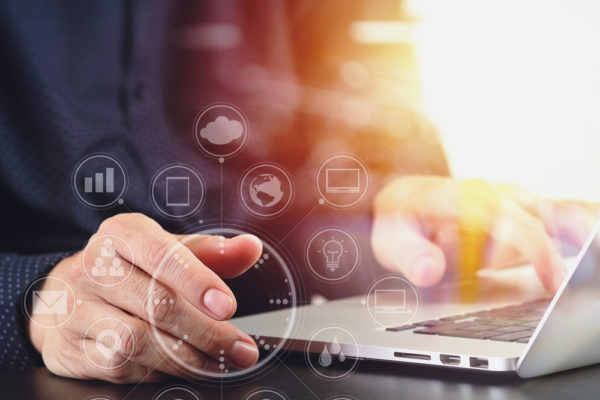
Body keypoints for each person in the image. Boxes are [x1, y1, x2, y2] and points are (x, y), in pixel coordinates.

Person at [0, 1, 595, 383]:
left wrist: (398, 190)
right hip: (55, 367)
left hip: (319, 333)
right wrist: (30, 299)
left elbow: (369, 89)